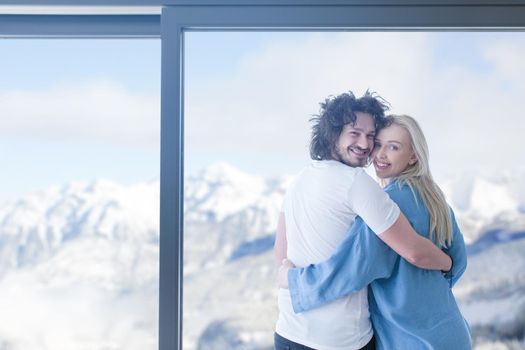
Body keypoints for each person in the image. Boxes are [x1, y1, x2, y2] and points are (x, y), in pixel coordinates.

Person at [274, 93, 452, 350]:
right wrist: (448, 263)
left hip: (288, 333)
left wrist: (289, 278)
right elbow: (414, 252)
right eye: (355, 133)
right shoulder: (356, 183)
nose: (365, 144)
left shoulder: (299, 180)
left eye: (371, 136)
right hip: (340, 340)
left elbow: (281, 254)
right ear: (333, 134)